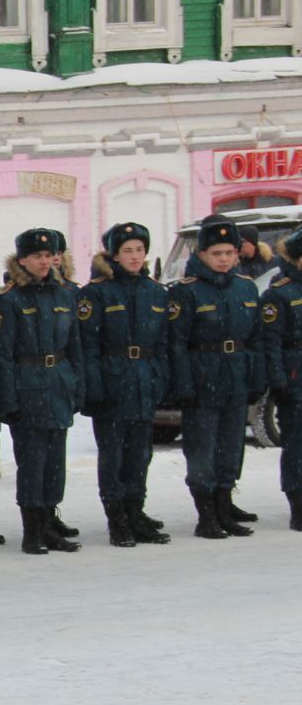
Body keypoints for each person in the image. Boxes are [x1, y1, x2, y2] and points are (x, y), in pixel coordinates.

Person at [0, 228, 86, 555]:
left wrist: (76, 384)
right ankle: (33, 531)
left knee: (55, 465)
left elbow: (75, 346)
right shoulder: (9, 299)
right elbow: (2, 355)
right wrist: (9, 400)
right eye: (37, 256)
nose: (44, 261)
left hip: (58, 384)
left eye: (48, 255)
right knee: (33, 463)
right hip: (28, 386)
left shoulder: (64, 295)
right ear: (22, 261)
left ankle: (49, 524)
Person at [168, 216, 265, 538]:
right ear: (202, 255)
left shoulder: (246, 288)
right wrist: (183, 384)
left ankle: (224, 507)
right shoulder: (187, 293)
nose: (224, 259)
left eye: (229, 253)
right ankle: (206, 514)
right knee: (202, 450)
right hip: (202, 377)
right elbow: (178, 343)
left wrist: (256, 378)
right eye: (216, 253)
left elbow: (255, 339)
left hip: (235, 376)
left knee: (230, 447)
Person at [78, 222, 173, 547]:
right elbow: (89, 346)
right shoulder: (96, 293)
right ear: (114, 254)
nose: (134, 256)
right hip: (114, 381)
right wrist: (96, 387)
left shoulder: (156, 291)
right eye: (127, 250)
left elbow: (162, 344)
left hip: (144, 380)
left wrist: (160, 377)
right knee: (114, 455)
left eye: (139, 249)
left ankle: (136, 511)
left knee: (140, 454)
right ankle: (117, 519)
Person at [261, 226, 302, 531]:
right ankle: (298, 503)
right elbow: (271, 341)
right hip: (296, 375)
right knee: (297, 444)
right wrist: (279, 381)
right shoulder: (281, 292)